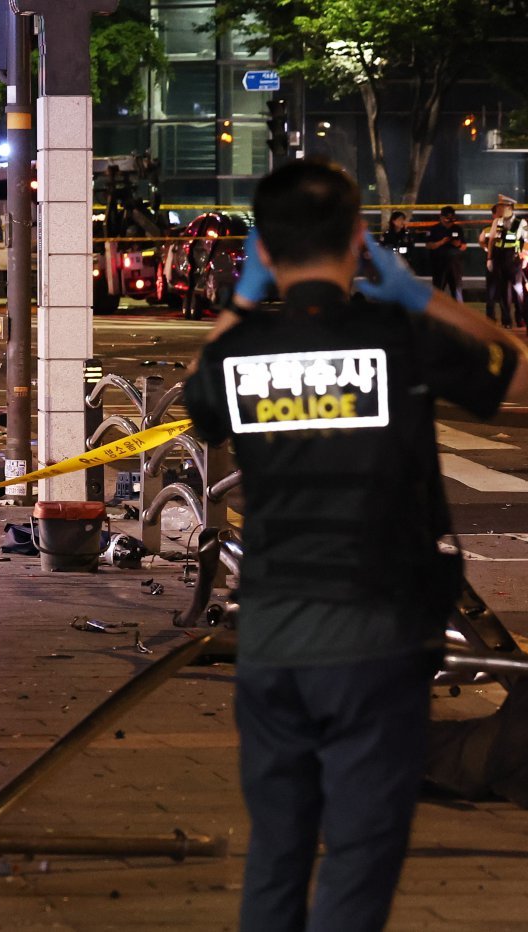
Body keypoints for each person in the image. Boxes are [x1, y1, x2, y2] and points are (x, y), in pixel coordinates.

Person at [183, 160, 527, 932]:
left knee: (276, 850)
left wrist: (242, 299)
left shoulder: (244, 351)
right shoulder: (397, 336)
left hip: (272, 638)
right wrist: (426, 296)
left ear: (263, 251)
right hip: (378, 639)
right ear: (360, 241)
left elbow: (198, 396)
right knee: (360, 856)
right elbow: (518, 372)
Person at [482, 196, 525, 328]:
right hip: (499, 258)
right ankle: (507, 321)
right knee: (504, 293)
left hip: (513, 259)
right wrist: (489, 258)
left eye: (502, 206)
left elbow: (527, 241)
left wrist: (526, 257)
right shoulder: (497, 222)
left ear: (509, 208)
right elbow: (491, 241)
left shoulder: (521, 223)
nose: (500, 209)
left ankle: (521, 319)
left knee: (519, 292)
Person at [425, 205, 467, 301]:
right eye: (447, 219)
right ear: (441, 217)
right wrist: (441, 242)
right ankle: (437, 313)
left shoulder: (457, 229)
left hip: (455, 265)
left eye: (452, 219)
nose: (449, 221)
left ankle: (458, 313)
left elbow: (464, 246)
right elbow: (428, 245)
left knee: (457, 290)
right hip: (439, 264)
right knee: (438, 291)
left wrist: (458, 245)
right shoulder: (434, 229)